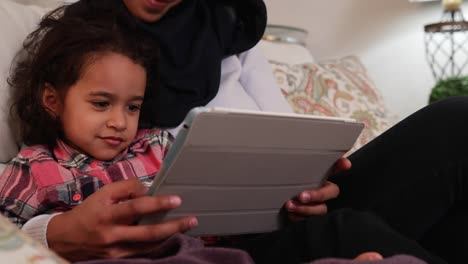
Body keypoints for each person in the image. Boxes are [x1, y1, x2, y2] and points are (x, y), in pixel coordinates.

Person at [0, 1, 463, 264]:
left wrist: (302, 179)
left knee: (455, 121)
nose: (120, 120)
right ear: (52, 99)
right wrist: (54, 233)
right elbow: (14, 225)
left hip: (260, 222)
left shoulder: (228, 30)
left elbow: (286, 130)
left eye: (134, 107)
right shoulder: (77, 51)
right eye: (103, 104)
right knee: (356, 230)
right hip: (208, 249)